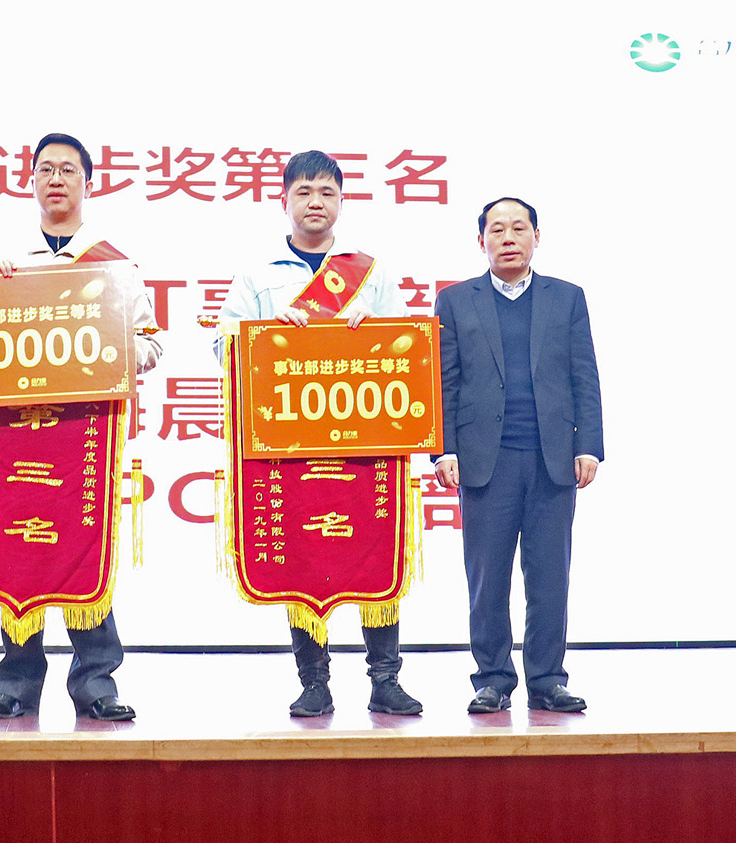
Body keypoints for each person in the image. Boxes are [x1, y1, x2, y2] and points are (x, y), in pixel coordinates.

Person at [219, 150, 419, 717]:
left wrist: (376, 331)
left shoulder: (370, 273)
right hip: (292, 444)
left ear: (341, 202)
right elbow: (222, 348)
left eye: (327, 192)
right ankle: (314, 681)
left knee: (375, 553)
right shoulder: (258, 276)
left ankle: (385, 678)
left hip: (365, 443)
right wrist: (266, 331)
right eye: (304, 191)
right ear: (283, 200)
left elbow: (407, 349)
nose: (315, 202)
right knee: (304, 557)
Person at [0, 132, 162, 721]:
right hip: (16, 438)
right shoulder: (6, 264)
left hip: (85, 438)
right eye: (46, 169)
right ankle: (17, 684)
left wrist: (112, 347)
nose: (56, 179)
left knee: (85, 554)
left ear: (88, 182)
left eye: (68, 170)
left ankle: (96, 682)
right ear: (31, 181)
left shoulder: (115, 266)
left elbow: (151, 346)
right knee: (18, 554)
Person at [433, 197, 603, 714]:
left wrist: (589, 445)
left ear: (536, 237)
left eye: (519, 228)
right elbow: (444, 382)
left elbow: (584, 375)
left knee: (550, 578)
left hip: (553, 459)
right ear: (480, 240)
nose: (508, 238)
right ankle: (492, 679)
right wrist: (443, 450)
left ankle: (548, 679)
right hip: (485, 461)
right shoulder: (455, 301)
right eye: (497, 230)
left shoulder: (567, 298)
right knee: (487, 580)